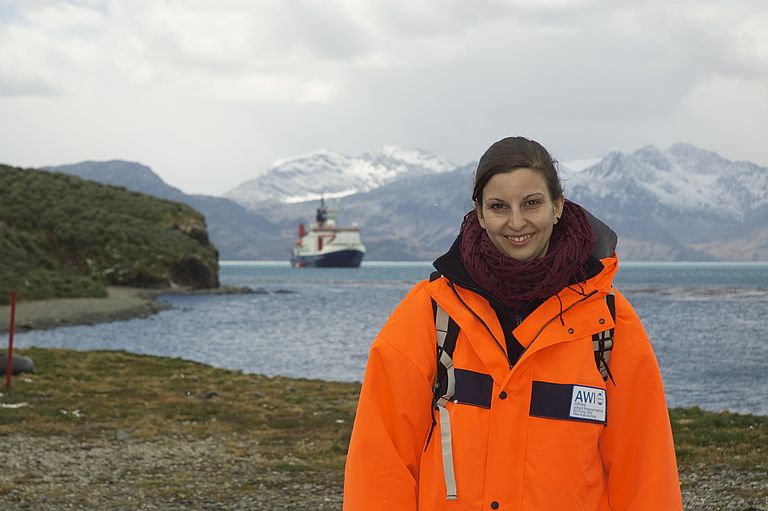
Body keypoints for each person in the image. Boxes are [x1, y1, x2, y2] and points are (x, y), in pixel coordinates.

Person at [343, 136, 682, 510]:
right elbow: (380, 463)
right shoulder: (430, 312)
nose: (516, 221)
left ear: (557, 206)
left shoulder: (609, 323)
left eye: (532, 203)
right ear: (480, 212)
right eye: (499, 206)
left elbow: (645, 472)